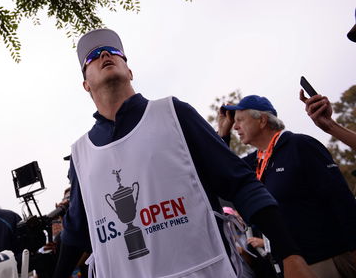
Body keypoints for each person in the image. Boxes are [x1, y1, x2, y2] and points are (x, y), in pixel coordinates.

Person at [54, 28, 315, 278]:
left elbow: (240, 183)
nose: (104, 55)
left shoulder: (173, 114)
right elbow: (76, 233)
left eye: (113, 51)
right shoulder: (81, 155)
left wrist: (290, 254)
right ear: (86, 84)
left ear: (130, 71)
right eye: (93, 56)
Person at [220, 95, 356, 277]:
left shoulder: (299, 145)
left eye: (239, 120)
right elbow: (224, 169)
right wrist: (223, 134)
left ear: (262, 120)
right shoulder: (256, 161)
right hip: (291, 265)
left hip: (327, 259)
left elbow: (341, 199)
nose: (235, 126)